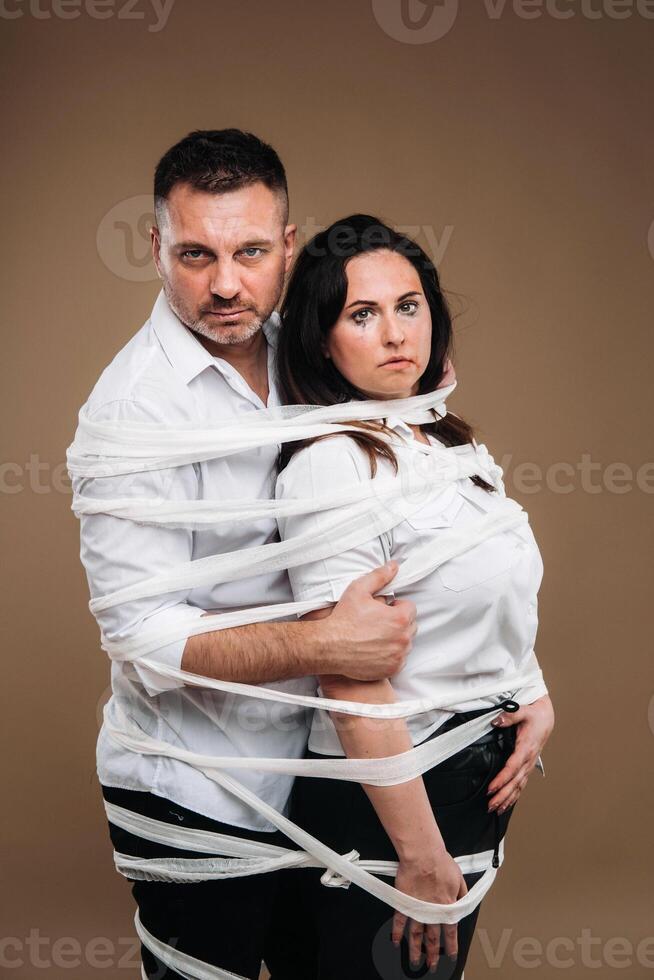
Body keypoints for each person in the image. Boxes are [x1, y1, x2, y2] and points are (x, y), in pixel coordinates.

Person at [71, 130, 419, 979]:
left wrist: (518, 687)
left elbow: (421, 472)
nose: (226, 283)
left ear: (289, 248)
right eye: (195, 253)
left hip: (321, 763)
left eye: (251, 251)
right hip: (193, 785)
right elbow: (144, 639)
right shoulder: (129, 415)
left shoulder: (309, 349)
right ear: (155, 249)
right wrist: (321, 646)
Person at [274, 214, 555, 979]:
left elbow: (493, 586)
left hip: (467, 792)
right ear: (322, 339)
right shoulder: (332, 465)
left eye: (408, 305)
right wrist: (421, 855)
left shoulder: (445, 441)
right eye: (362, 314)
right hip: (394, 809)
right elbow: (346, 677)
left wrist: (532, 693)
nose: (395, 331)